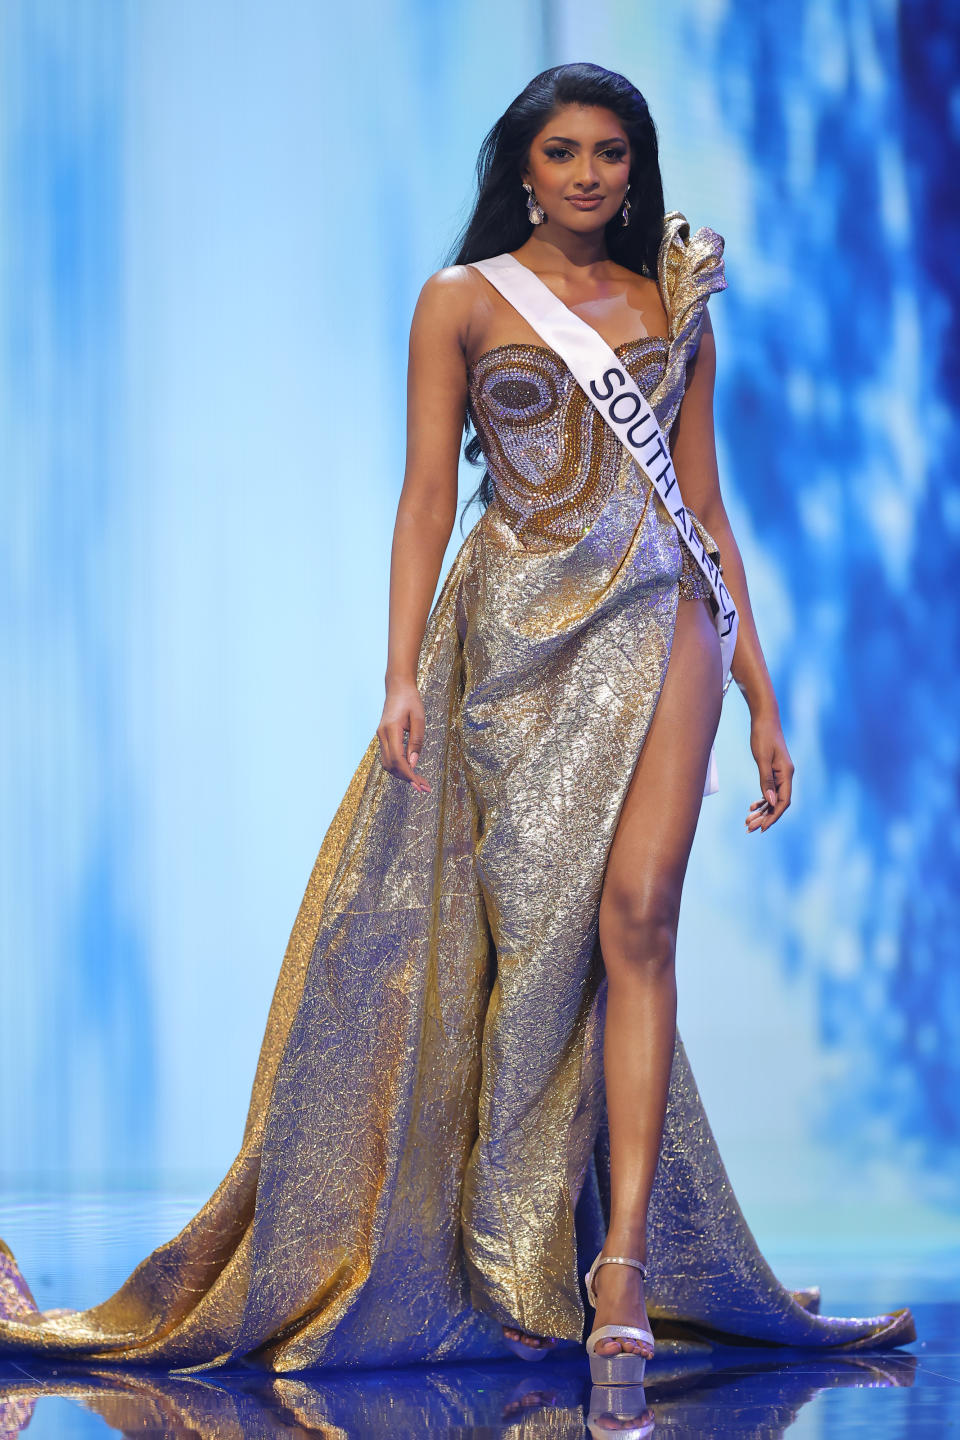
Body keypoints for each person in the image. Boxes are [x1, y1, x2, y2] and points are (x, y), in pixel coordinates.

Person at [0, 62, 915, 1378]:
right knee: (527, 942)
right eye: (563, 152)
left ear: (632, 165)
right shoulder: (461, 302)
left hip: (666, 624)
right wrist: (398, 672)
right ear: (523, 167)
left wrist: (766, 694)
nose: (589, 176)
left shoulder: (677, 305)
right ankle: (493, 1238)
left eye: (611, 152)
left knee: (639, 918)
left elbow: (706, 515)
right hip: (512, 636)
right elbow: (428, 493)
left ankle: (623, 1266)